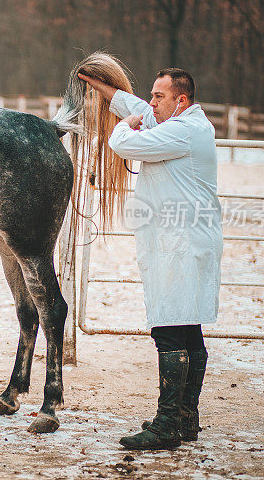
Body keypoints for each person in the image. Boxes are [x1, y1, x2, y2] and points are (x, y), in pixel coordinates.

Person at [77, 68, 222, 450]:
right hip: (182, 241)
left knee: (170, 329)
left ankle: (167, 423)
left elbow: (126, 144)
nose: (152, 101)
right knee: (187, 329)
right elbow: (141, 107)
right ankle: (185, 419)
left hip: (180, 244)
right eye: (153, 95)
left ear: (181, 101)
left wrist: (123, 124)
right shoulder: (184, 122)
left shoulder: (184, 131)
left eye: (160, 96)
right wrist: (105, 89)